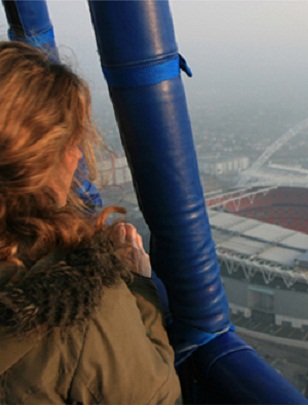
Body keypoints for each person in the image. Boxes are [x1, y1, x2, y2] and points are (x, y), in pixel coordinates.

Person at [0, 41, 181, 404]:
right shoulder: (83, 311)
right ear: (46, 162)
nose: (78, 154)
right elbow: (157, 397)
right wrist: (139, 290)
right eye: (72, 141)